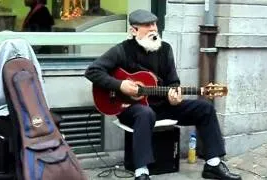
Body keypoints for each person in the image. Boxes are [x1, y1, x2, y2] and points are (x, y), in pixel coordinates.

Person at [85, 9, 242, 180]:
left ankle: (212, 164)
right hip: (131, 108)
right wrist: (120, 84)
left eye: (154, 24)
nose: (153, 28)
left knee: (204, 108)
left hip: (163, 106)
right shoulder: (122, 50)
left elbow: (173, 81)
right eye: (147, 25)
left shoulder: (165, 49)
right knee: (145, 113)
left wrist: (174, 96)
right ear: (134, 30)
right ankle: (142, 172)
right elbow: (93, 71)